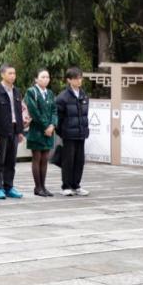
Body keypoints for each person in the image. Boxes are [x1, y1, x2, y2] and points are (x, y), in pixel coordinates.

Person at [0, 64, 25, 200]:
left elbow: (19, 113)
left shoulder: (17, 91)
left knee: (11, 161)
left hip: (14, 130)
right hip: (0, 132)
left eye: (14, 73)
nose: (13, 76)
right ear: (2, 75)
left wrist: (20, 131)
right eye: (10, 73)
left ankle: (9, 186)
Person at [56, 67, 90, 197]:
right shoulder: (62, 97)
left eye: (80, 78)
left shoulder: (84, 95)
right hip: (68, 135)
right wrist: (62, 132)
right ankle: (66, 186)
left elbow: (85, 115)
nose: (79, 80)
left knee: (79, 161)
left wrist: (84, 130)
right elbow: (58, 118)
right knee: (68, 161)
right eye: (76, 78)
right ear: (69, 80)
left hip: (81, 134)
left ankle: (76, 185)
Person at [25, 68, 59, 197]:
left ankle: (43, 187)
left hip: (49, 131)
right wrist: (46, 126)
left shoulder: (50, 93)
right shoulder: (31, 92)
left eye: (47, 77)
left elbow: (54, 111)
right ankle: (37, 187)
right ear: (36, 79)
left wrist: (53, 125)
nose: (46, 79)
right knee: (37, 157)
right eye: (43, 77)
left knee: (45, 158)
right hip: (37, 130)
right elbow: (34, 112)